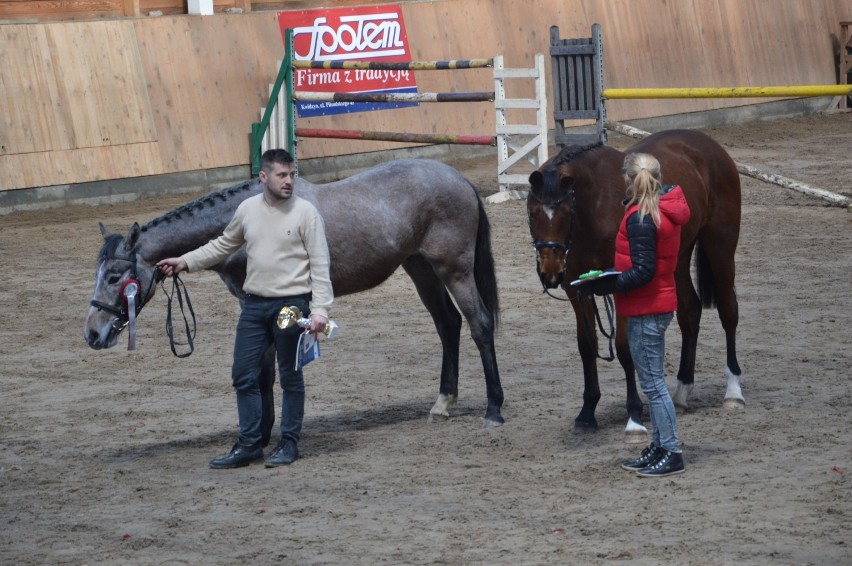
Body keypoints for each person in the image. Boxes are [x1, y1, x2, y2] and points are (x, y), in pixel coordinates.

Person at [156, 149, 333, 469]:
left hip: (291, 306)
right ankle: (250, 443)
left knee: (290, 376)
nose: (289, 181)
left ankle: (289, 443)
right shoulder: (248, 209)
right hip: (254, 305)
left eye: (292, 174)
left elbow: (321, 264)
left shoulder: (306, 213)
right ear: (263, 177)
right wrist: (185, 261)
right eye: (282, 175)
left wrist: (320, 309)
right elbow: (223, 244)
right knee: (243, 374)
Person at [576, 152, 690, 477]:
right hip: (654, 304)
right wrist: (609, 274)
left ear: (629, 179)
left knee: (653, 385)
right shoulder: (659, 210)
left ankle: (671, 450)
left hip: (646, 307)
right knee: (652, 383)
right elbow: (643, 265)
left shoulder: (641, 218)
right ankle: (660, 445)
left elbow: (643, 272)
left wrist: (604, 285)